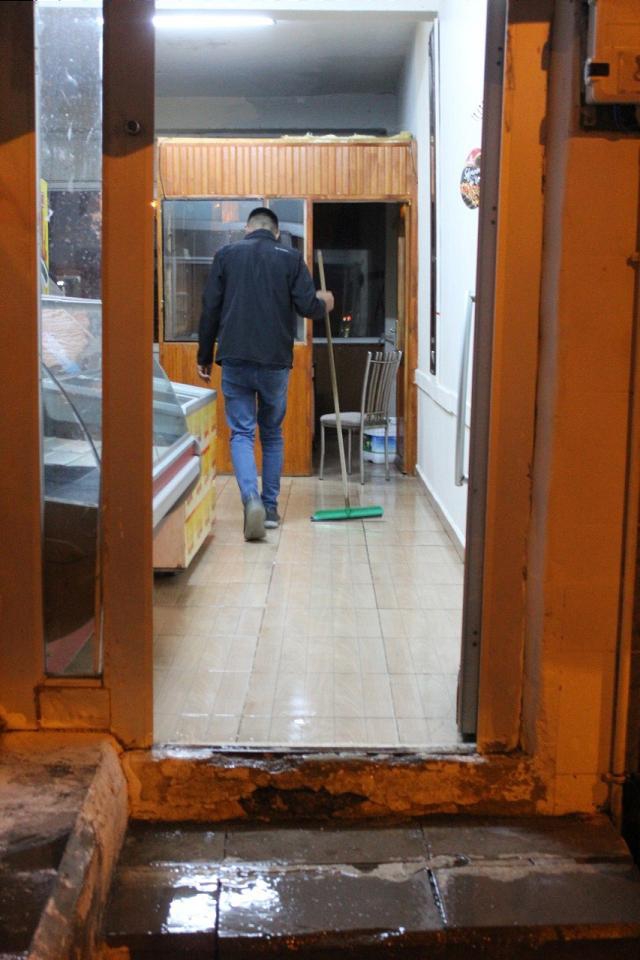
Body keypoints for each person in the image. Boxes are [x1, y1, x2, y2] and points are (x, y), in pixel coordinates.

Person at [197, 207, 334, 541]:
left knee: (242, 434)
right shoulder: (290, 258)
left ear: (247, 229)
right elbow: (307, 307)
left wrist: (204, 356)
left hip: (235, 358)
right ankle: (270, 510)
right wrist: (324, 302)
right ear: (276, 232)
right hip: (274, 361)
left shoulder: (226, 255)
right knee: (271, 434)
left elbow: (210, 308)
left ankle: (251, 500)